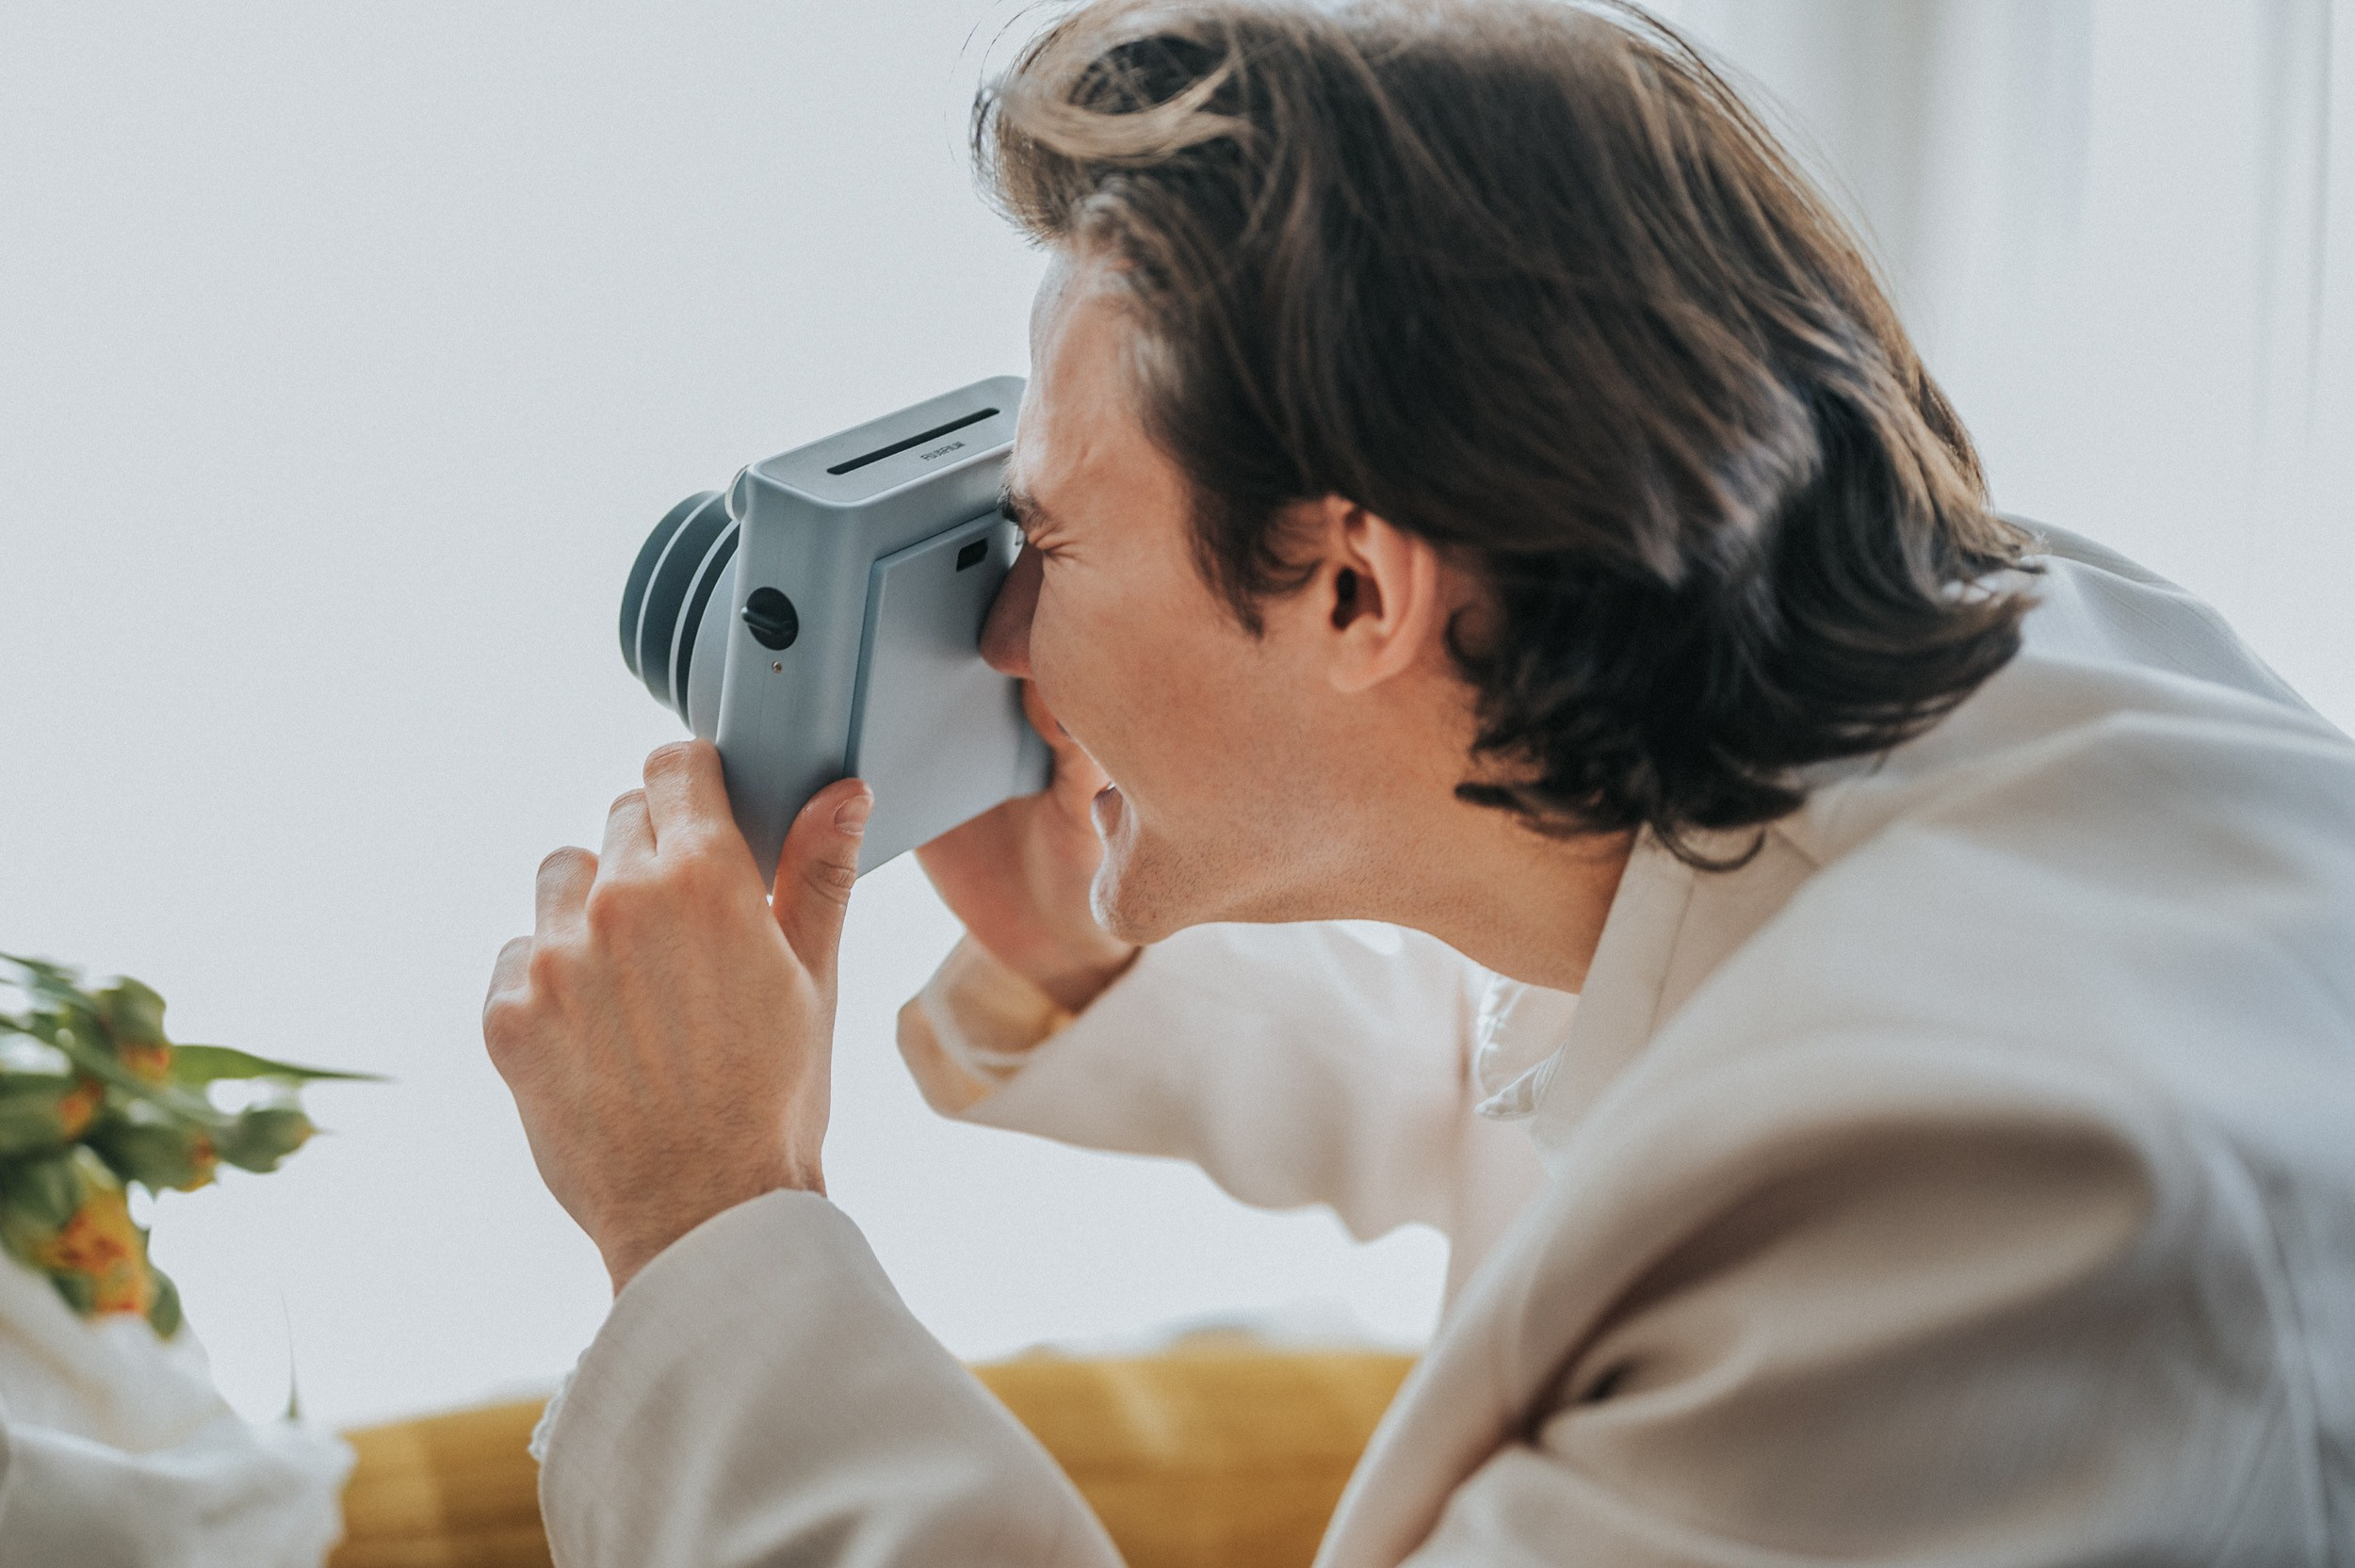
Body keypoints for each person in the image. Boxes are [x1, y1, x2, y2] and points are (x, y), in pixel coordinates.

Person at [481, 1, 2355, 1561]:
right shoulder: (2003, 667)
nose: (1000, 639)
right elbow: (1578, 1059)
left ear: (1358, 584)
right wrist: (1081, 946)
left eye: (1046, 536)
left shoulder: (1965, 1212)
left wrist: (712, 1227)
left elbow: (1746, 1156)